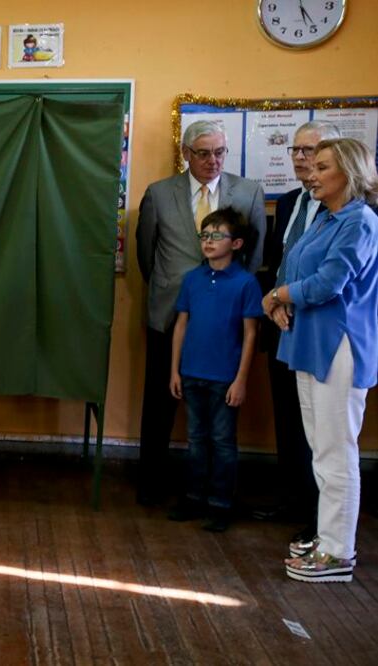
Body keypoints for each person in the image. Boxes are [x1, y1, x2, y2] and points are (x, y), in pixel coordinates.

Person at [134, 119, 266, 505]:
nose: (213, 161)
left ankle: (215, 493)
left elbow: (254, 257)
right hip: (171, 313)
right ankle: (152, 485)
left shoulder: (248, 192)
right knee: (160, 402)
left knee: (221, 413)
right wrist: (168, 288)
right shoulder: (159, 193)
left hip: (225, 319)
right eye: (204, 153)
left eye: (220, 152)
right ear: (186, 154)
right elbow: (147, 254)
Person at [267, 138, 378, 583]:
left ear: (350, 173)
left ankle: (338, 553)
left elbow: (328, 283)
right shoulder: (325, 219)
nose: (311, 173)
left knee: (336, 452)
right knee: (320, 450)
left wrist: (276, 295)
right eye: (311, 166)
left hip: (340, 346)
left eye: (323, 167)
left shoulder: (361, 221)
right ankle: (329, 536)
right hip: (310, 343)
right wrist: (281, 297)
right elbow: (295, 270)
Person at [253, 121, 341, 535]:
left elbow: (329, 277)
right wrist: (272, 304)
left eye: (313, 150)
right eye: (297, 150)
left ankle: (320, 516)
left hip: (320, 328)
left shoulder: (346, 210)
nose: (303, 158)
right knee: (288, 418)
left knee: (320, 428)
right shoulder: (289, 203)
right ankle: (294, 500)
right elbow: (278, 262)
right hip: (281, 323)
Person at [167, 209, 263, 532]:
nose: (208, 241)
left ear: (236, 243)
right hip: (191, 373)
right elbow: (181, 325)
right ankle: (194, 498)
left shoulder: (246, 283)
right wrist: (174, 371)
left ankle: (221, 504)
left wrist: (241, 380)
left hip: (225, 379)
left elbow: (250, 334)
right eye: (204, 235)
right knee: (196, 440)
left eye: (216, 235)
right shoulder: (192, 279)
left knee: (222, 441)